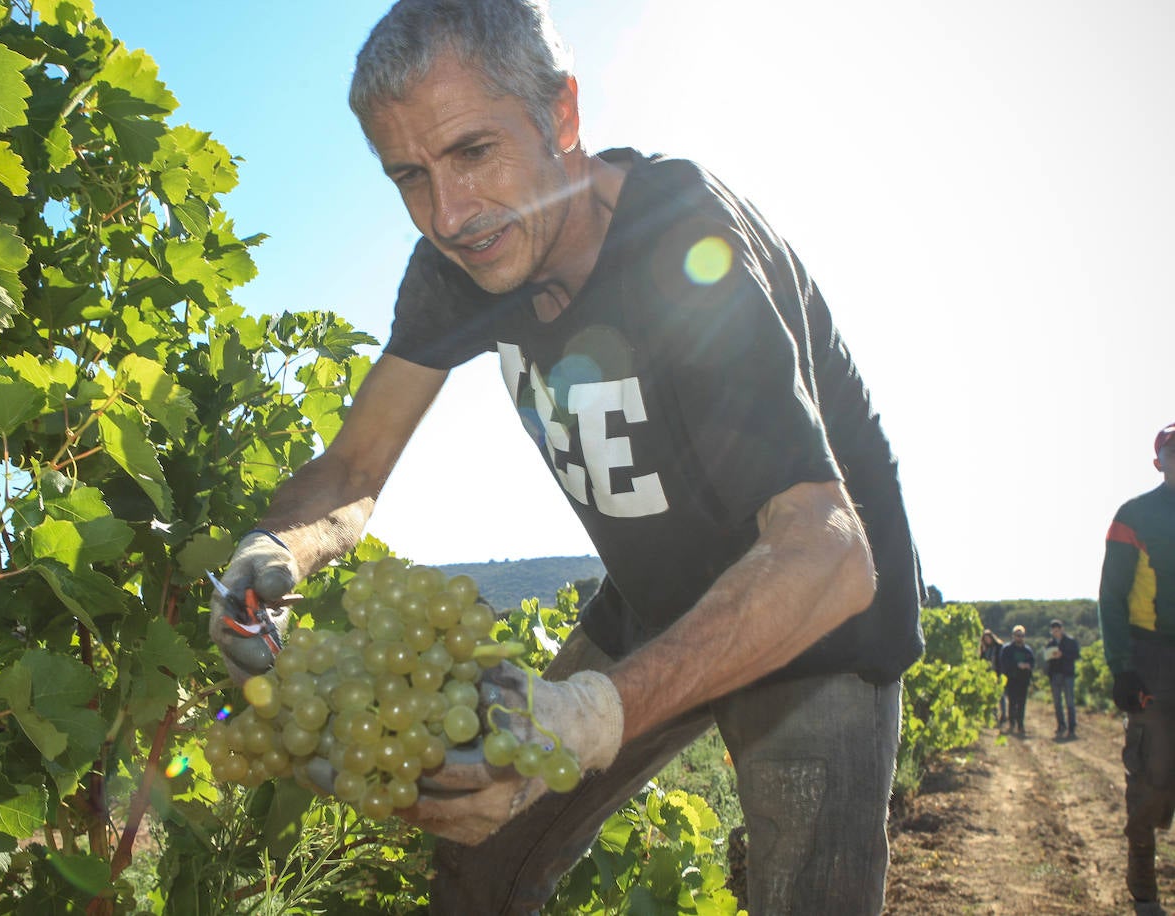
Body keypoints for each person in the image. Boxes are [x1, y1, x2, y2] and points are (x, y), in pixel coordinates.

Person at [208, 1, 925, 912]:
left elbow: (828, 547)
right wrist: (270, 551)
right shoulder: (457, 268)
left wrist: (588, 715)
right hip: (652, 600)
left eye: (474, 152)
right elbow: (353, 472)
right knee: (481, 857)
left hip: (813, 614)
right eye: (409, 176)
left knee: (806, 897)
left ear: (563, 118)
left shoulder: (684, 241)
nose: (448, 213)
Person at [1099, 421, 1175, 916]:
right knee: (1151, 780)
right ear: (1159, 462)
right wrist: (1122, 668)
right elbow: (1111, 596)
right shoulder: (1135, 516)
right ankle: (1145, 895)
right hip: (1153, 663)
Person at [1044, 618, 1080, 740]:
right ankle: (1061, 726)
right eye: (1053, 631)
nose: (1055, 633)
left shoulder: (1070, 641)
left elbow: (1076, 655)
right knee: (1057, 703)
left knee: (1070, 702)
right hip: (1055, 675)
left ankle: (1072, 728)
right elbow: (1046, 659)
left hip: (1068, 674)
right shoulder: (1050, 644)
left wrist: (1063, 654)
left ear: (1062, 629)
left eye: (1057, 630)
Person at [997, 624, 1035, 735]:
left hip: (1023, 680)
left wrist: (1028, 665)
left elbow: (1032, 662)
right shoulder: (1007, 649)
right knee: (1012, 702)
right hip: (1012, 680)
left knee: (1022, 703)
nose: (1020, 637)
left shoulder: (1027, 650)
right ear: (1013, 636)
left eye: (1022, 635)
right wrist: (1017, 665)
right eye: (1018, 635)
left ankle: (1020, 724)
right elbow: (1004, 663)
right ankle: (1012, 723)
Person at [979, 629, 1006, 726]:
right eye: (985, 638)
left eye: (988, 638)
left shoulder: (999, 647)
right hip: (988, 676)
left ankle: (1003, 715)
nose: (987, 640)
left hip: (998, 673)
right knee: (991, 696)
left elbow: (1002, 661)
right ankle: (994, 715)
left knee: (1001, 696)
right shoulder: (984, 649)